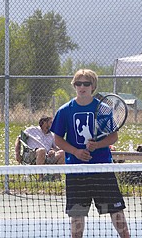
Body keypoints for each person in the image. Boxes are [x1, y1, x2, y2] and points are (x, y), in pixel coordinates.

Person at [50, 69, 130, 238]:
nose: (82, 87)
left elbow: (113, 137)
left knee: (117, 214)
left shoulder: (103, 109)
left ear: (93, 86)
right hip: (76, 172)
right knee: (77, 219)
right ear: (74, 86)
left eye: (86, 83)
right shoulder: (65, 111)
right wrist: (76, 152)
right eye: (78, 83)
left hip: (102, 170)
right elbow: (58, 139)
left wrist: (98, 145)